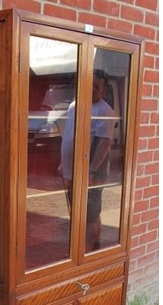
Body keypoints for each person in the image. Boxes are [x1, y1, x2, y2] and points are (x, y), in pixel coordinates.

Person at [58, 69, 115, 251]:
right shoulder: (75, 105)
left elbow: (104, 144)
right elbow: (69, 134)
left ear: (103, 90)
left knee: (89, 214)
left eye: (96, 86)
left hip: (91, 172)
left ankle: (85, 252)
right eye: (89, 84)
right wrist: (63, 161)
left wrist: (90, 170)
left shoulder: (105, 111)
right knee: (76, 211)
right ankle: (91, 246)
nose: (91, 89)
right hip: (71, 168)